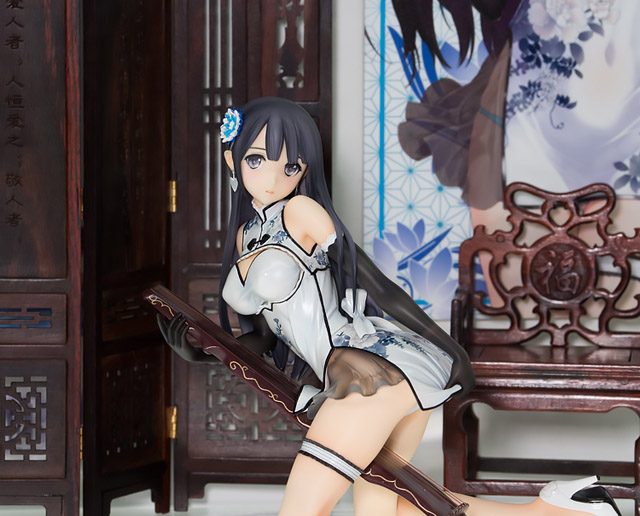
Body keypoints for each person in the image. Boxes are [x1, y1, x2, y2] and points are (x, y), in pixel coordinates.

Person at [158, 97, 620, 516]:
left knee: (302, 510)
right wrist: (203, 350)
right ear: (232, 160)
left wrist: (448, 348)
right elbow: (264, 333)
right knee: (388, 508)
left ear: (303, 170)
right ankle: (566, 509)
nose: (274, 179)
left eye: (290, 166)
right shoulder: (246, 236)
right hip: (356, 374)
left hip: (367, 369)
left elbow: (371, 281)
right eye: (257, 160)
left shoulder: (301, 213)